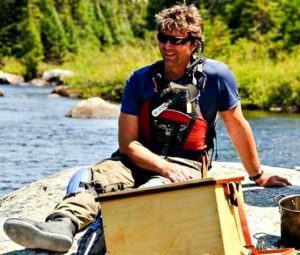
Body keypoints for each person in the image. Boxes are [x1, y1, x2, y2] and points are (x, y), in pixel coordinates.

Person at [3, 4, 291, 253]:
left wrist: (259, 174)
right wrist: (159, 165)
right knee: (88, 179)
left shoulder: (216, 76)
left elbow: (237, 126)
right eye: (162, 38)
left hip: (186, 163)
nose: (167, 46)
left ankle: (104, 238)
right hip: (135, 157)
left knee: (148, 195)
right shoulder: (140, 79)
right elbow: (128, 142)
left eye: (176, 41)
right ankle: (59, 230)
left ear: (193, 43)